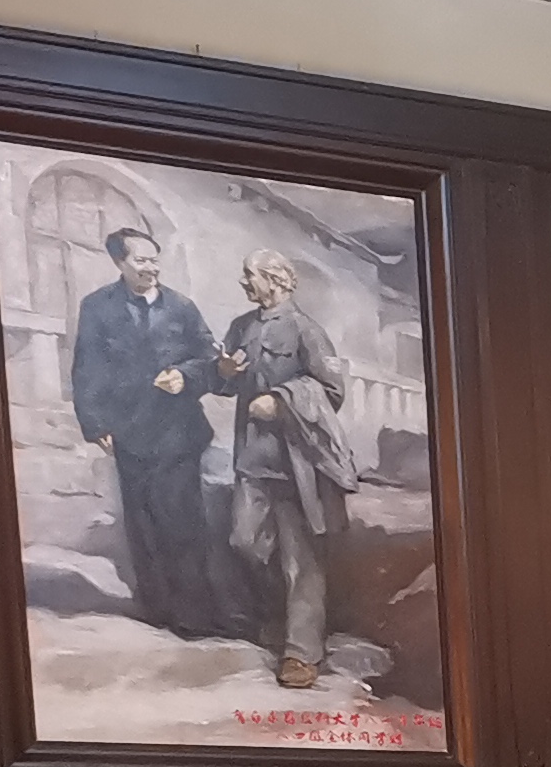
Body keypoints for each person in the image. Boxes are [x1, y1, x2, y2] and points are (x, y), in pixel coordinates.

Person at [68, 227, 229, 639]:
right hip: (129, 431)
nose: (150, 268)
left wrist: (186, 376)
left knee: (184, 522)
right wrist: (95, 423)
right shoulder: (97, 307)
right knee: (142, 525)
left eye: (154, 260)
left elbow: (210, 360)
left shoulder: (182, 307)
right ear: (119, 263)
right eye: (140, 261)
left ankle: (194, 613)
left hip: (179, 432)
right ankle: (156, 609)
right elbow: (87, 367)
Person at [214, 248, 363, 691]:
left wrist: (281, 401)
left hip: (298, 464)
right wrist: (223, 371)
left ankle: (301, 652)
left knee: (302, 559)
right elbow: (224, 383)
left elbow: (331, 390)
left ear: (276, 280)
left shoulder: (306, 330)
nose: (244, 282)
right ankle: (277, 621)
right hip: (253, 460)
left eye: (250, 275)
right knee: (244, 541)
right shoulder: (242, 327)